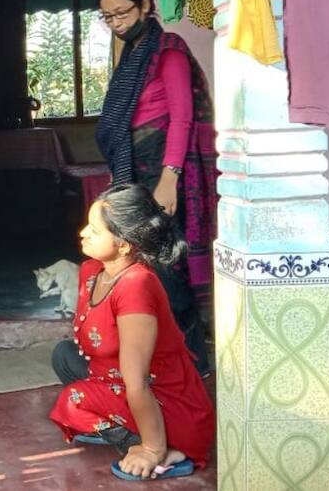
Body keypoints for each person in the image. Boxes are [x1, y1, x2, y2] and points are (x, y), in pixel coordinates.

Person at [93, 0, 217, 375]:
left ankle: (193, 361)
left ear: (145, 5)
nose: (116, 24)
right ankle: (165, 358)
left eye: (122, 13)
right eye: (107, 17)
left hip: (162, 172)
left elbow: (181, 118)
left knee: (166, 264)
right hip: (137, 171)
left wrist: (169, 177)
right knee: (145, 264)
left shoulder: (169, 50)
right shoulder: (133, 55)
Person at [50, 184, 214, 481]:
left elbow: (136, 380)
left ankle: (160, 448)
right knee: (64, 356)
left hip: (162, 396)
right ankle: (121, 422)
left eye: (95, 230)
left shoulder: (136, 286)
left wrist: (152, 448)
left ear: (124, 245)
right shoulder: (91, 271)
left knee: (73, 399)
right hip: (116, 378)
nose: (83, 233)